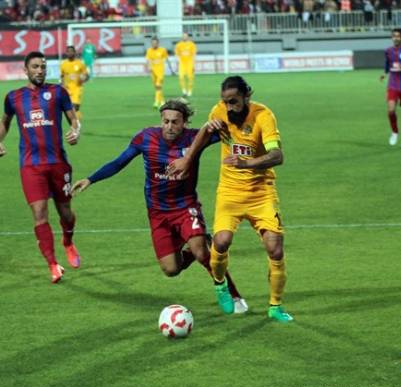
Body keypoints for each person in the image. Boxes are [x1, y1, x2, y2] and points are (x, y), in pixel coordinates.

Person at [72, 99, 248, 313]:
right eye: (166, 121)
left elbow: (231, 130)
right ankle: (195, 248)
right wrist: (91, 179)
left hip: (185, 206)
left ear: (184, 123)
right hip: (157, 213)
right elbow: (119, 162)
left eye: (175, 122)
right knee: (171, 269)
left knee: (202, 253)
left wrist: (222, 121)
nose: (170, 126)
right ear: (161, 120)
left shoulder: (194, 138)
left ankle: (232, 293)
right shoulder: (146, 138)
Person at [167, 76, 293, 322]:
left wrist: (246, 163)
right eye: (225, 102)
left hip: (261, 191)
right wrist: (188, 159)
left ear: (247, 96)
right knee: (221, 242)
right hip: (230, 192)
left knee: (275, 249)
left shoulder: (263, 116)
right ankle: (219, 282)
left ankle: (275, 306)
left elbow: (277, 155)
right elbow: (204, 133)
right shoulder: (220, 111)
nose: (229, 107)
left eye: (234, 102)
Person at [0, 51, 82, 284]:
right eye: (35, 67)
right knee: (40, 214)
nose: (40, 70)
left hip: (58, 163)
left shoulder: (58, 92)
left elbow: (73, 118)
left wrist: (76, 130)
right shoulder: (14, 97)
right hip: (31, 166)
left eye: (43, 66)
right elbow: (5, 120)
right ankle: (53, 264)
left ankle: (68, 242)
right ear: (26, 70)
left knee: (66, 213)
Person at [60, 46, 89, 121]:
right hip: (67, 89)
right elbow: (62, 76)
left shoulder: (80, 64)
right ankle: (76, 124)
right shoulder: (63, 64)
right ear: (66, 53)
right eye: (68, 51)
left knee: (75, 106)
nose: (70, 53)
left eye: (71, 51)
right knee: (70, 110)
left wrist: (84, 78)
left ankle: (76, 125)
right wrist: (62, 85)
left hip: (77, 88)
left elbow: (86, 75)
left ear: (75, 53)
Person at [145, 37, 168, 109]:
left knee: (158, 86)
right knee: (157, 88)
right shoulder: (149, 50)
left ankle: (156, 102)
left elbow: (165, 59)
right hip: (153, 71)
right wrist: (149, 67)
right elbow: (148, 60)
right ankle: (163, 101)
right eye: (152, 43)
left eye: (155, 43)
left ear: (158, 43)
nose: (154, 44)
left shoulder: (162, 50)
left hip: (160, 71)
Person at [174, 32, 197, 97]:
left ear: (188, 37)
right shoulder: (178, 45)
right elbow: (176, 55)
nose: (184, 37)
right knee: (181, 77)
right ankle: (184, 90)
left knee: (190, 77)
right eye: (183, 36)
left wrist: (194, 64)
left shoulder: (192, 45)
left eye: (185, 36)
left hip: (190, 63)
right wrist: (176, 63)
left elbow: (194, 55)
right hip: (182, 64)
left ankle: (189, 91)